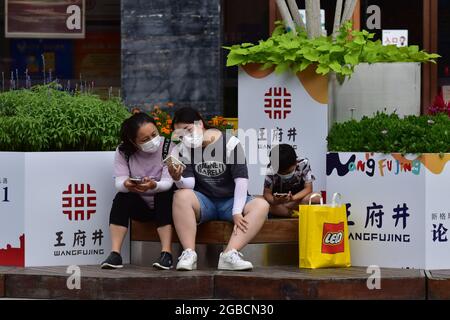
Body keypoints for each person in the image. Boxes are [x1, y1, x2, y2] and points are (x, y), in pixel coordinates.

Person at [167, 107, 269, 271]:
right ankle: (189, 253)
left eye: (188, 130)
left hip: (230, 202)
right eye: (181, 134)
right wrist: (177, 178)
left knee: (261, 205)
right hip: (204, 203)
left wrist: (236, 211)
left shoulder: (230, 143)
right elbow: (190, 185)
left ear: (200, 123)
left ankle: (229, 254)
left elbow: (241, 181)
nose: (186, 136)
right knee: (180, 195)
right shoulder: (184, 149)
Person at [101, 112, 175, 270]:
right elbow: (119, 181)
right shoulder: (123, 152)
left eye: (154, 134)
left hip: (165, 205)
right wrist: (127, 184)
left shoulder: (169, 147)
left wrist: (153, 185)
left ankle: (166, 254)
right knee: (122, 197)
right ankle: (115, 254)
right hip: (140, 205)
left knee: (164, 194)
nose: (152, 141)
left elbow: (169, 182)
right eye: (145, 139)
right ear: (133, 142)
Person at [263, 144, 319, 217]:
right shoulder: (270, 168)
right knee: (262, 203)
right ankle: (293, 213)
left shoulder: (303, 163)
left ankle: (285, 211)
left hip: (297, 198)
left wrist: (292, 199)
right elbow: (267, 194)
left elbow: (308, 188)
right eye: (279, 172)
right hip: (278, 202)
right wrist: (276, 201)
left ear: (295, 163)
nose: (284, 174)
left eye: (287, 172)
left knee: (316, 197)